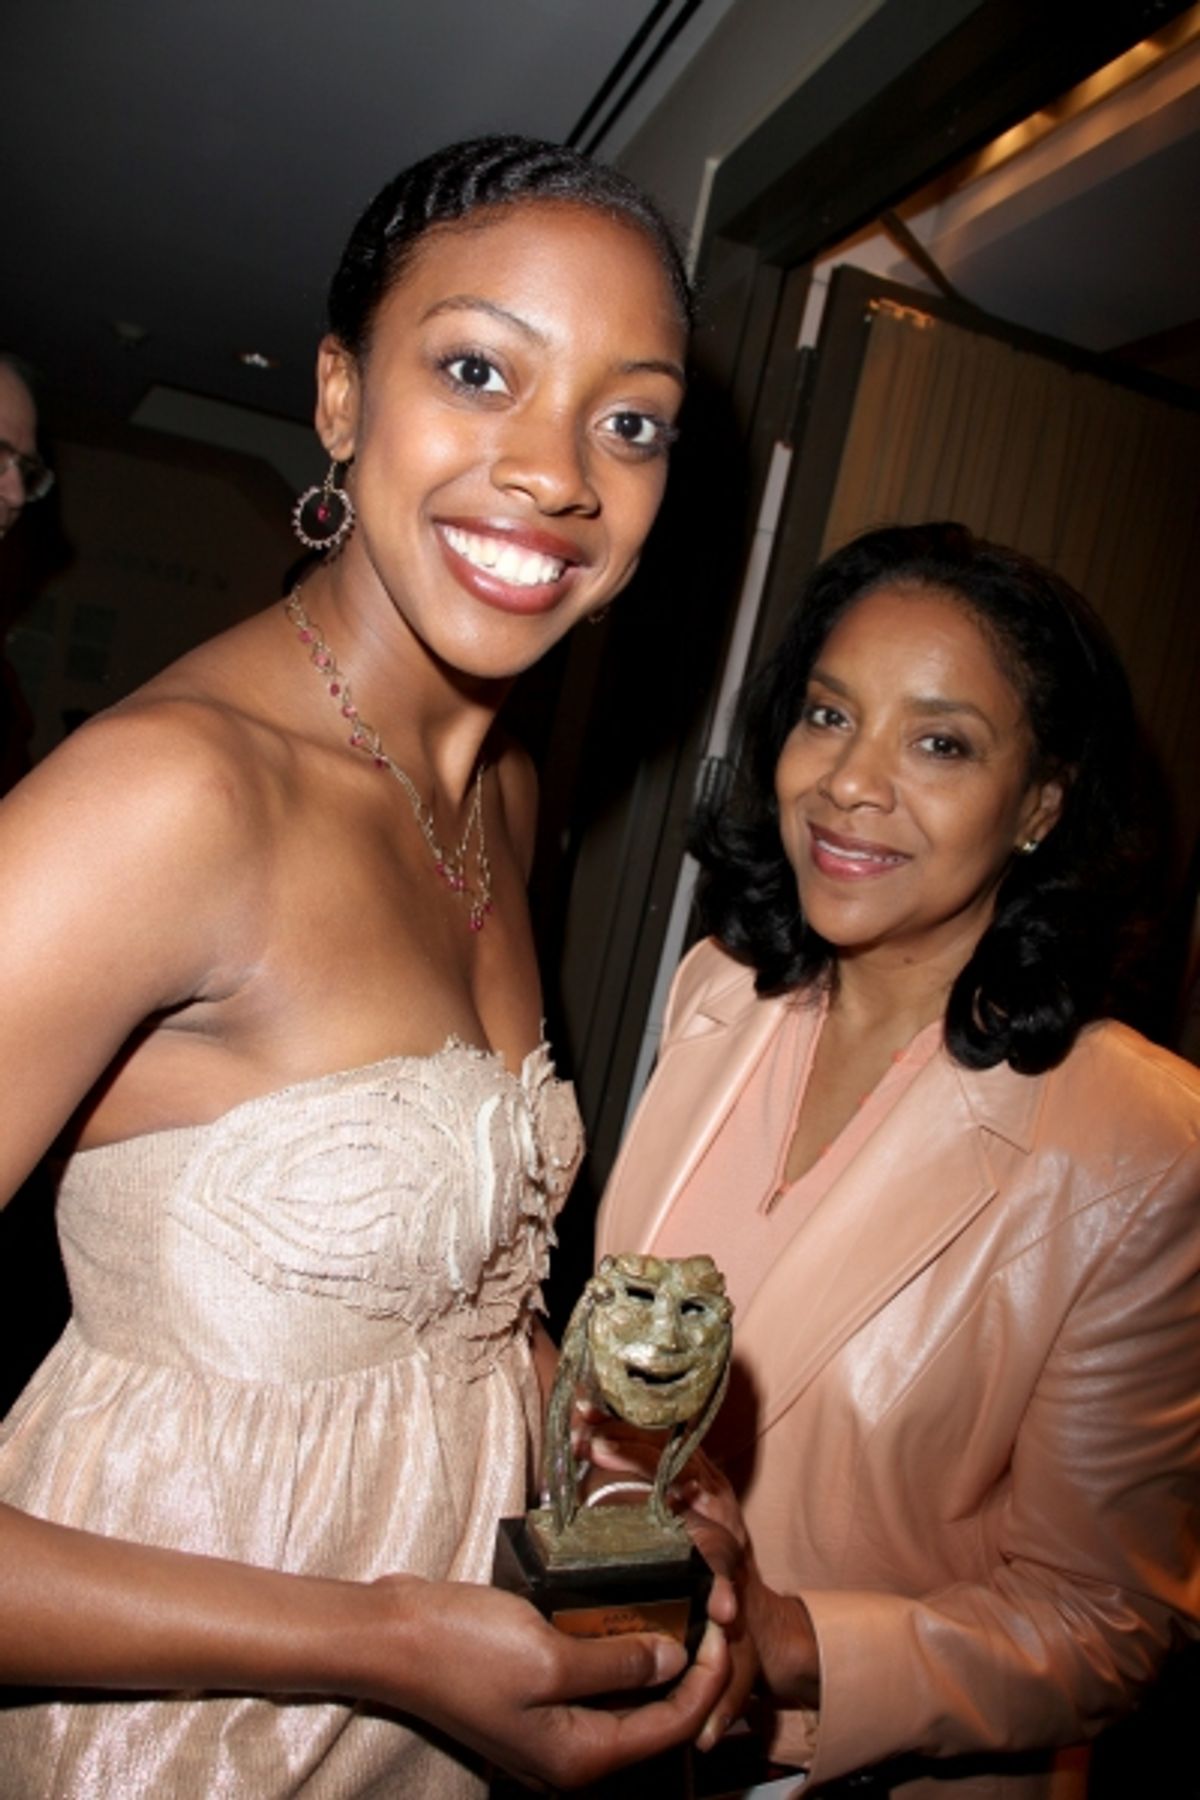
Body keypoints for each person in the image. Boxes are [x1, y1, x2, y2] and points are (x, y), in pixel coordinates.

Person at [0, 137, 730, 1796]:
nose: (559, 475)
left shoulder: (508, 791)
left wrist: (630, 1474)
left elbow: (460, 1306)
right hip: (189, 1730)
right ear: (339, 398)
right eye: (480, 370)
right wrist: (377, 1641)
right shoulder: (170, 799)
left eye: (632, 420)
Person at [596, 522, 1200, 1798]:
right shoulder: (718, 995)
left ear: (1042, 801)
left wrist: (788, 1639)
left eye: (940, 743)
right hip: (608, 1720)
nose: (850, 782)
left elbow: (1107, 1618)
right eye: (829, 715)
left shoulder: (1140, 1142)